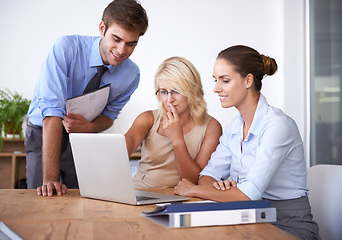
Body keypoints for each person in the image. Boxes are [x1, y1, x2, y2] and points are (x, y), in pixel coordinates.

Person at [174, 46, 320, 240]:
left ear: (248, 80)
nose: (216, 88)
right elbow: (208, 175)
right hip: (247, 220)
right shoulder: (235, 126)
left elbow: (247, 195)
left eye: (224, 80)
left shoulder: (278, 126)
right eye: (215, 80)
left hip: (288, 226)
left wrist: (192, 190)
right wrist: (219, 187)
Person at [25, 0, 148, 197]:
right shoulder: (65, 48)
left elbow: (109, 116)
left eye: (131, 43)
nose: (121, 50)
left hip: (83, 139)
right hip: (44, 131)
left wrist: (89, 127)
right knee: (44, 197)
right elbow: (52, 112)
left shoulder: (132, 74)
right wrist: (49, 178)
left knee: (82, 202)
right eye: (116, 39)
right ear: (102, 28)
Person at [125, 56, 222, 188]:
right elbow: (127, 141)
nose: (169, 99)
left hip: (183, 198)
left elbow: (195, 180)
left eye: (176, 91)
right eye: (164, 92)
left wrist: (177, 140)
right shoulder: (148, 118)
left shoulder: (211, 127)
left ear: (192, 90)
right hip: (141, 192)